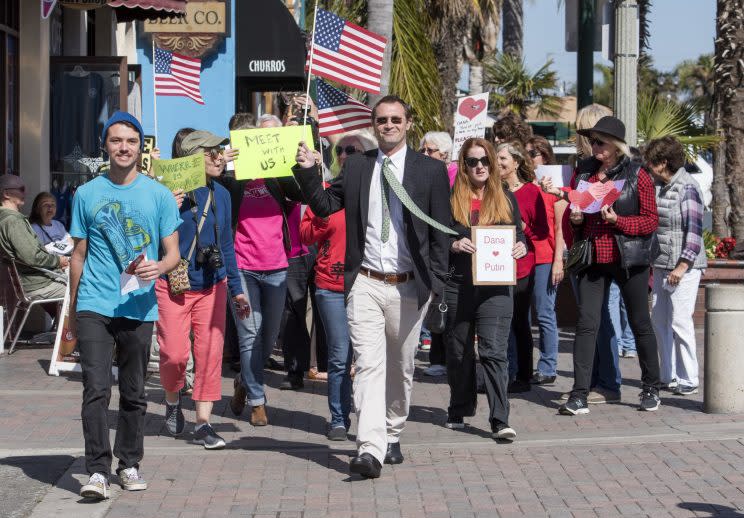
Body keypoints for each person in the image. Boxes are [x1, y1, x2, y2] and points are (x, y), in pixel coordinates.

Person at [293, 95, 451, 479]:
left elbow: (439, 235)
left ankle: (393, 431)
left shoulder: (429, 171)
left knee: (401, 367)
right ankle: (369, 448)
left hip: (410, 286)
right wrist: (310, 170)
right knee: (366, 365)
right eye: (382, 120)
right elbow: (326, 204)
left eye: (396, 118)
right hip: (364, 281)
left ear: (408, 122)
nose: (389, 125)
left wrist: (439, 287)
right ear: (374, 124)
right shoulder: (359, 166)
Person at [69, 112, 181, 499]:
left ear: (140, 148)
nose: (123, 148)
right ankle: (97, 471)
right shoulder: (86, 194)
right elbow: (78, 255)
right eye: (116, 141)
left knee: (133, 393)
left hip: (138, 304)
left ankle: (129, 463)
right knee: (95, 389)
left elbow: (173, 254)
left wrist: (159, 266)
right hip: (94, 304)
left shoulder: (158, 195)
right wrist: (73, 307)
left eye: (130, 142)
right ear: (106, 145)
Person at [542, 116, 661, 415]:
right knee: (587, 323)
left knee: (639, 322)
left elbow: (650, 221)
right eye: (592, 141)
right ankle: (580, 394)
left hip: (629, 258)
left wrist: (617, 220)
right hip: (594, 257)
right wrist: (576, 219)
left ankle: (651, 387)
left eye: (599, 142)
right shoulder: (585, 175)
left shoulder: (637, 174)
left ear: (616, 146)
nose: (593, 147)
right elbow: (576, 217)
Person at [156, 130, 249, 449]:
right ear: (194, 158)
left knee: (210, 355)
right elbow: (148, 235)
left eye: (220, 151)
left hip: (212, 284)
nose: (219, 157)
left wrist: (236, 287)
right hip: (173, 283)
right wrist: (167, 203)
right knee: (173, 354)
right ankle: (171, 401)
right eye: (211, 152)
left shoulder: (222, 194)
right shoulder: (168, 189)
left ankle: (203, 423)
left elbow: (227, 244)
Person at [223, 114, 305, 427]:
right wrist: (226, 168)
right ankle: (258, 401)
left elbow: (300, 194)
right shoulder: (233, 178)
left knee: (268, 340)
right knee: (248, 338)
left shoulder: (277, 175)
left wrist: (295, 161)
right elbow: (216, 192)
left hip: (277, 270)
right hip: (243, 269)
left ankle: (244, 382)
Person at [444, 137, 527, 439]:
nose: (479, 166)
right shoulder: (450, 198)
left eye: (484, 161)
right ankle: (460, 406)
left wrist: (521, 247)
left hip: (496, 286)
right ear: (463, 166)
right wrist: (453, 243)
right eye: (472, 161)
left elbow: (520, 235)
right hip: (459, 284)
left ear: (492, 164)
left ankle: (500, 419)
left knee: (494, 351)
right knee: (458, 351)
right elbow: (437, 236)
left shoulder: (506, 198)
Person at [301, 129, 377, 441]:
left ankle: (372, 420)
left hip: (368, 285)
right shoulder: (326, 191)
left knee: (370, 357)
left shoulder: (376, 193)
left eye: (353, 150)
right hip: (330, 286)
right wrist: (321, 213)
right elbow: (305, 236)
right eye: (342, 150)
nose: (345, 155)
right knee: (339, 354)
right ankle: (338, 418)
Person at [645, 136, 706, 396]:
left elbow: (694, 231)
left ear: (664, 163)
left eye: (652, 162)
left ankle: (689, 378)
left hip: (685, 266)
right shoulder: (659, 185)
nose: (648, 167)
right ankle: (667, 375)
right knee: (659, 320)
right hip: (661, 263)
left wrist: (682, 267)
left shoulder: (688, 187)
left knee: (681, 321)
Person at [496, 142, 549, 393]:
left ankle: (524, 375)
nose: (498, 162)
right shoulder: (492, 190)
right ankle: (502, 372)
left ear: (516, 162)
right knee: (499, 323)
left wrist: (522, 227)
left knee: (519, 321)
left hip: (522, 266)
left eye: (503, 158)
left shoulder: (531, 192)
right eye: (496, 158)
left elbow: (541, 232)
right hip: (494, 264)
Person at [525, 137, 568, 385]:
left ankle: (548, 366)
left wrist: (558, 261)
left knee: (544, 313)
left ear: (545, 156)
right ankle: (523, 364)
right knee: (522, 315)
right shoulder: (522, 185)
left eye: (534, 153)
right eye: (527, 153)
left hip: (545, 256)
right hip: (523, 255)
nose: (530, 157)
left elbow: (560, 228)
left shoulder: (555, 187)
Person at [418, 131, 456, 377]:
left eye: (429, 151)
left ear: (445, 155)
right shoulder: (422, 175)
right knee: (435, 301)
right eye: (422, 150)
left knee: (447, 303)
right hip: (428, 246)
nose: (424, 154)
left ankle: (450, 358)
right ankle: (437, 358)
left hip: (451, 247)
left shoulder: (456, 177)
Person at [0, 175, 69, 299]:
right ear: (6, 194)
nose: (25, 192)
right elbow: (32, 257)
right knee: (83, 292)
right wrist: (58, 261)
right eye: (21, 189)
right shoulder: (13, 221)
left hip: (29, 282)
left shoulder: (5, 219)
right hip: (36, 284)